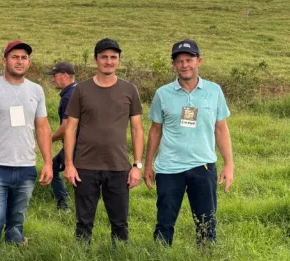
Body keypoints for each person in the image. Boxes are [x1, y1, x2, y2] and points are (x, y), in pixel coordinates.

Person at [144, 39, 234, 246]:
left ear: (199, 61)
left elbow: (221, 129)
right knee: (164, 221)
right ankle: (159, 258)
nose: (185, 65)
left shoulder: (214, 91)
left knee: (206, 222)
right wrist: (148, 165)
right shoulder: (162, 94)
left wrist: (229, 164)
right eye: (179, 61)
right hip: (169, 167)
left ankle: (205, 259)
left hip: (203, 165)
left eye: (189, 60)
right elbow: (155, 130)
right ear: (173, 65)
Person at [0, 40, 54, 245]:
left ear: (29, 63)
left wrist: (48, 163)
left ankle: (13, 252)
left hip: (26, 166)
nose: (19, 61)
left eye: (24, 58)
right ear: (4, 60)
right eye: (14, 57)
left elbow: (43, 127)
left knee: (17, 220)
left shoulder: (36, 90)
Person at [62, 39, 144, 244]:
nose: (109, 61)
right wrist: (69, 164)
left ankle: (120, 257)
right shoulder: (81, 89)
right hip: (85, 166)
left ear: (119, 60)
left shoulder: (129, 89)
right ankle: (81, 257)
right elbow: (70, 128)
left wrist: (137, 165)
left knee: (120, 222)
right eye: (104, 57)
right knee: (83, 222)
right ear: (95, 60)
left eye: (113, 57)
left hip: (118, 166)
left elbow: (137, 129)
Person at [46, 61, 78, 212]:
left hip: (75, 144)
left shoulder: (68, 97)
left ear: (65, 76)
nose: (53, 79)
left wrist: (49, 139)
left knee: (53, 168)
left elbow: (66, 127)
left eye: (55, 75)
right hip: (86, 143)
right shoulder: (78, 91)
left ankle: (64, 206)